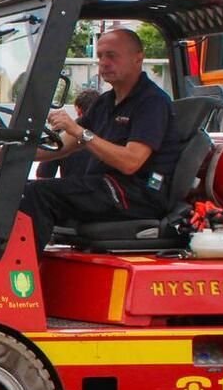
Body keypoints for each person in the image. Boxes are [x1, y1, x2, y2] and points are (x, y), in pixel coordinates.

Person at [17, 28, 178, 243]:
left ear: (138, 58)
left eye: (111, 55)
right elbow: (61, 147)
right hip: (103, 188)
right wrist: (1, 152)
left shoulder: (151, 102)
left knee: (37, 194)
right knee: (19, 189)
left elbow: (131, 162)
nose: (103, 62)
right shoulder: (104, 103)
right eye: (100, 56)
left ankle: (20, 271)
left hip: (135, 194)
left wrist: (78, 130)